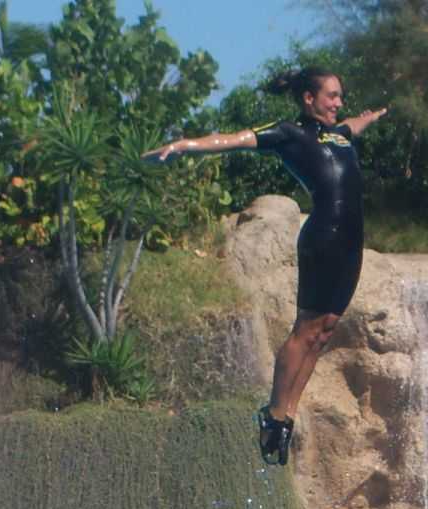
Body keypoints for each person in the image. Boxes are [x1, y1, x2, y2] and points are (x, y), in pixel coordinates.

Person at [146, 69, 388, 465]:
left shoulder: (340, 133)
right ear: (309, 98)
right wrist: (184, 144)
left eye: (340, 97)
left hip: (350, 244)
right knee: (306, 327)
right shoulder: (290, 134)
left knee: (324, 331)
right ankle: (273, 413)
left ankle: (288, 414)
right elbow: (235, 140)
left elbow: (354, 124)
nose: (338, 103)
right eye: (331, 96)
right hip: (323, 238)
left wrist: (375, 115)